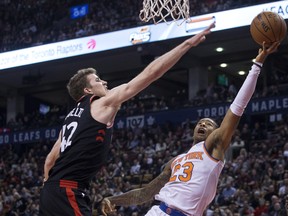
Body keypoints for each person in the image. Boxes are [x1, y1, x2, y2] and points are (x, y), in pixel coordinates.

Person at [39, 22, 216, 216]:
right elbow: (151, 74)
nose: (104, 81)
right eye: (98, 80)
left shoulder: (70, 119)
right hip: (69, 189)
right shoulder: (102, 103)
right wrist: (187, 44)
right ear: (88, 90)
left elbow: (50, 160)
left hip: (51, 193)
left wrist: (49, 188)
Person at [100, 41, 280, 216]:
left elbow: (238, 107)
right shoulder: (175, 160)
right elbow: (145, 193)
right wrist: (112, 200)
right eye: (200, 122)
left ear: (216, 132)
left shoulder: (213, 146)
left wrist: (257, 64)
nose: (202, 124)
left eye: (208, 124)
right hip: (158, 211)